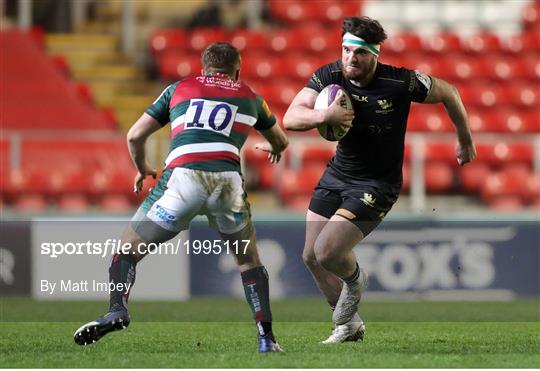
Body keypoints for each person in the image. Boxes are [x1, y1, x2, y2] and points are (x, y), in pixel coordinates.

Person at [74, 42, 288, 353]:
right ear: (237, 70)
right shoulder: (251, 96)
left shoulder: (179, 88)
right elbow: (280, 140)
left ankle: (117, 310)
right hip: (227, 181)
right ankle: (266, 339)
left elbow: (134, 134)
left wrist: (142, 167)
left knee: (127, 251)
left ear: (203, 69)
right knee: (248, 261)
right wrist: (276, 149)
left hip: (183, 177)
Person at [283, 16, 476, 344]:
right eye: (345, 50)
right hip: (338, 174)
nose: (349, 58)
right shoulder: (329, 75)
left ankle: (356, 281)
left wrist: (465, 138)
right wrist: (323, 116)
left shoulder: (400, 82)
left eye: (358, 52)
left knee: (328, 251)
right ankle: (348, 325)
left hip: (377, 184)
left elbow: (449, 91)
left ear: (375, 54)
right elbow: (290, 117)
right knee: (311, 256)